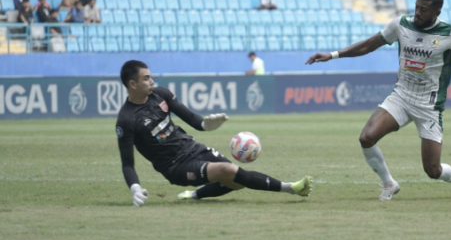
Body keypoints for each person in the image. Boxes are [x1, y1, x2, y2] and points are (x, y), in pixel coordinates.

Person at [306, 0, 451, 200]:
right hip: (401, 97)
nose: (418, 12)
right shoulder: (401, 25)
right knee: (366, 137)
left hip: (429, 106)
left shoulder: (450, 33)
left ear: (437, 12)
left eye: (424, 10)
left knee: (432, 170)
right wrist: (333, 55)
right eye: (417, 7)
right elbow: (368, 46)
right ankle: (389, 183)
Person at [116, 60, 312, 207]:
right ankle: (292, 188)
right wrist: (134, 187)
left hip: (193, 147)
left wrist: (208, 124)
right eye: (146, 78)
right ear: (133, 84)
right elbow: (127, 163)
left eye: (150, 76)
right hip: (175, 167)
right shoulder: (126, 120)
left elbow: (195, 121)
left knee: (237, 182)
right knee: (230, 172)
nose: (152, 81)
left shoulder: (161, 94)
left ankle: (193, 195)